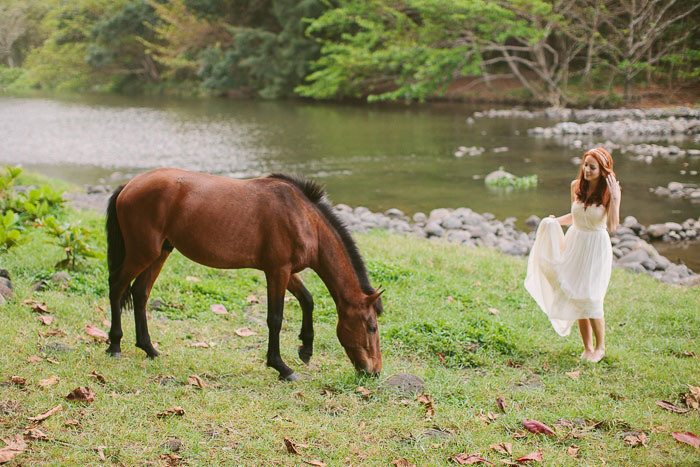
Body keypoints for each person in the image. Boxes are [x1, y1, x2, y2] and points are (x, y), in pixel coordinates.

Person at [524, 147, 621, 363]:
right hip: (575, 242)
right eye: (585, 165)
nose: (587, 170)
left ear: (602, 170)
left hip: (596, 246)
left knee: (592, 296)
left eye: (592, 167)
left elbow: (612, 225)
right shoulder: (576, 186)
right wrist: (554, 221)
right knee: (576, 294)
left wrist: (614, 199)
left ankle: (600, 347)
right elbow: (575, 217)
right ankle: (587, 348)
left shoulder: (609, 191)